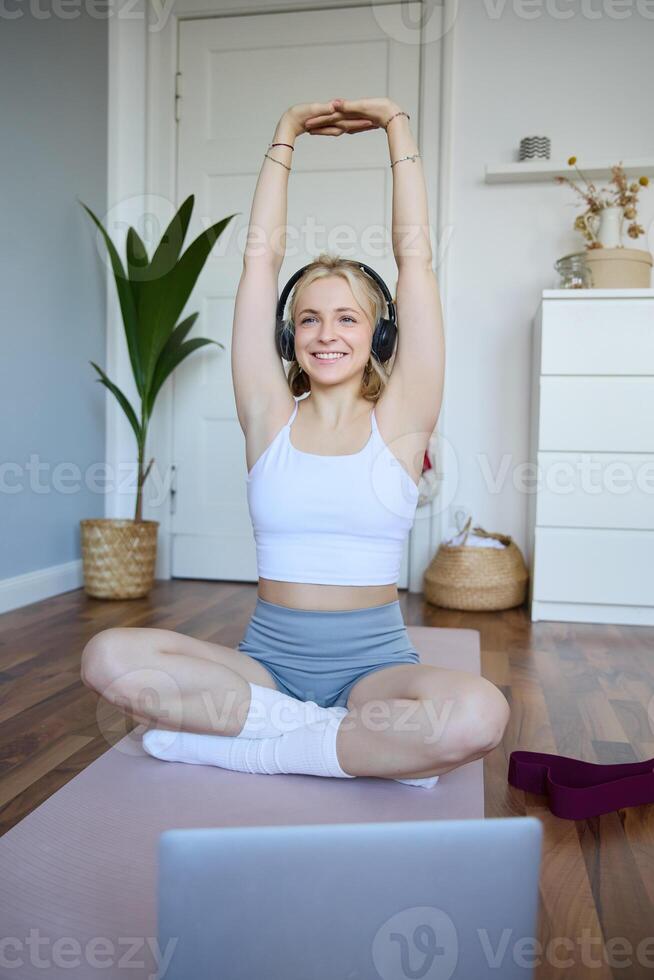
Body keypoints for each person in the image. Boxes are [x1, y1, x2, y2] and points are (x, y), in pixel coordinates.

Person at [80, 98, 510, 788]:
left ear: (381, 336)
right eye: (307, 319)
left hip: (374, 669)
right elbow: (261, 258)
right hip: (264, 666)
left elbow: (415, 258)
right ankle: (332, 745)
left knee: (478, 716)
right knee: (106, 657)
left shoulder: (400, 421)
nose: (325, 333)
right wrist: (284, 135)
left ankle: (254, 745)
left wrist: (397, 127)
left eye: (347, 317)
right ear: (288, 337)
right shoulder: (268, 416)